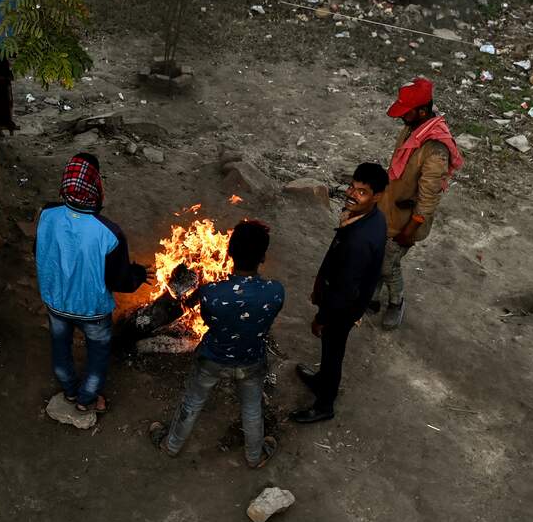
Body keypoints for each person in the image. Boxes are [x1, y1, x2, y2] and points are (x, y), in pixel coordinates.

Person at [149, 220, 283, 469]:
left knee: (192, 402)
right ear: (263, 257)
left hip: (212, 359)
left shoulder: (211, 293)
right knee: (252, 409)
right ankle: (255, 456)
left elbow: (209, 321)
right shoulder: (275, 291)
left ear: (229, 252)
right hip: (251, 360)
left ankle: (171, 445)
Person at [36, 152, 151, 413]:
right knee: (97, 355)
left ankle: (69, 390)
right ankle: (86, 399)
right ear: (96, 185)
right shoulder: (109, 232)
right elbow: (119, 280)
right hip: (93, 310)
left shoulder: (47, 214)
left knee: (60, 347)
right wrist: (138, 274)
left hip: (55, 301)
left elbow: (40, 251)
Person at [291, 163, 389, 424]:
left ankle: (324, 405)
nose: (352, 195)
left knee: (333, 352)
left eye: (362, 192)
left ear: (377, 196)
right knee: (332, 350)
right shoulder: (374, 218)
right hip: (349, 299)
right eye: (352, 187)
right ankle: (321, 381)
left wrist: (321, 318)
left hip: (342, 308)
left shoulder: (359, 241)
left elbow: (343, 291)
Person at [373, 77, 464, 330]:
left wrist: (410, 230)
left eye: (406, 112)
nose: (402, 117)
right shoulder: (414, 128)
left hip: (407, 220)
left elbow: (428, 200)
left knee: (388, 264)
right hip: (390, 209)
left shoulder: (435, 150)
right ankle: (373, 296)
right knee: (379, 255)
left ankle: (396, 302)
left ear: (422, 111)